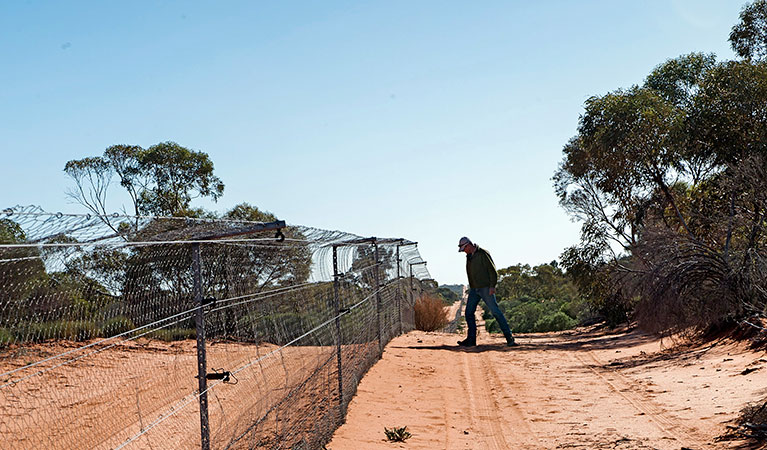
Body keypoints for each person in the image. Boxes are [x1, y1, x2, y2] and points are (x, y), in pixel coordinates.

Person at [457, 237, 517, 347]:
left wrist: (492, 286)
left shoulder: (483, 254)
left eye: (464, 249)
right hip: (474, 289)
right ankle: (471, 340)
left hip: (486, 288)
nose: (464, 251)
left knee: (495, 312)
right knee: (469, 313)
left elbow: (492, 270)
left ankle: (509, 338)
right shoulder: (469, 256)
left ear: (469, 245)